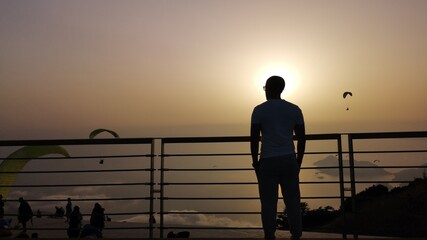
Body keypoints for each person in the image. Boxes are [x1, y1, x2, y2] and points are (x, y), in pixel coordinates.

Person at [250, 76, 306, 240]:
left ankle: (270, 235)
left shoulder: (259, 110)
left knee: (268, 203)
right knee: (293, 201)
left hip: (267, 160)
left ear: (267, 88)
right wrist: (298, 162)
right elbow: (302, 139)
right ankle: (296, 235)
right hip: (289, 159)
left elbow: (254, 139)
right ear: (282, 89)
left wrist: (255, 162)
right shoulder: (294, 109)